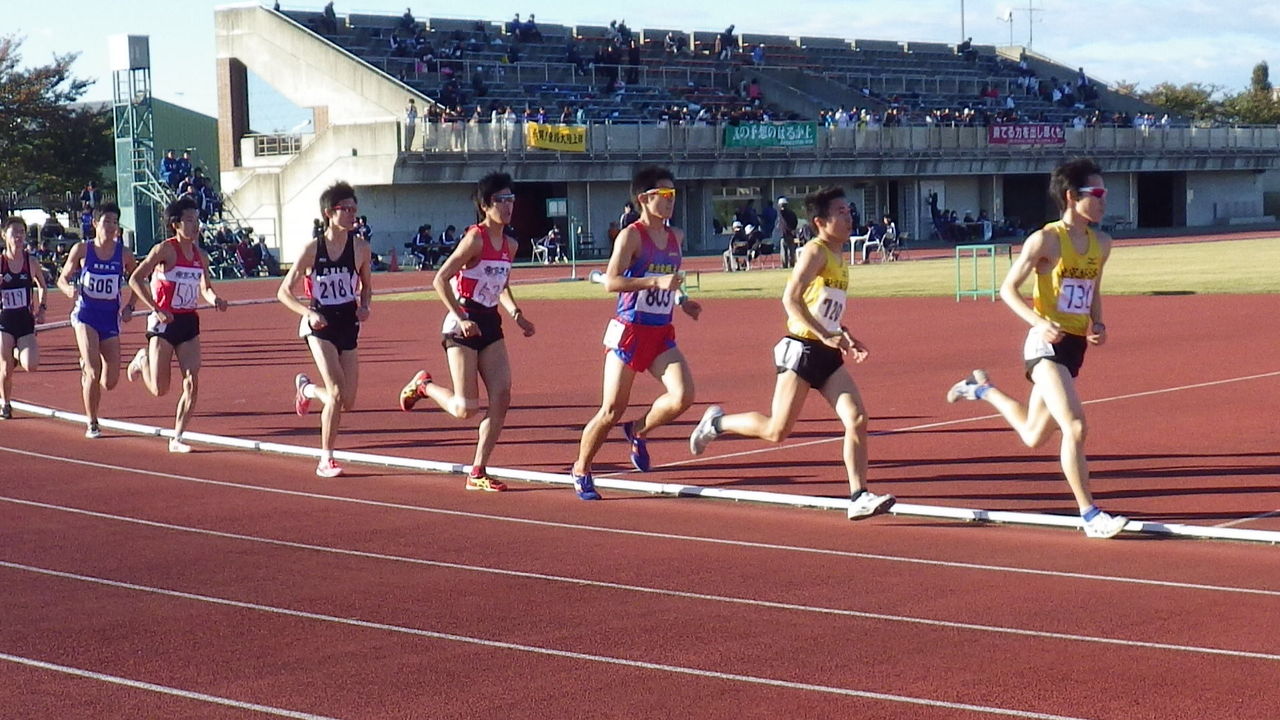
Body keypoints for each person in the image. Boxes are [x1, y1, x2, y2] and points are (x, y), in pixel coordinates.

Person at [945, 158, 1128, 539]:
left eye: (1105, 193)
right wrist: (1038, 322)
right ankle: (1090, 515)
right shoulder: (1045, 240)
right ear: (1070, 197)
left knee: (1033, 435)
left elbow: (1093, 288)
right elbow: (1007, 289)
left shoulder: (1102, 243)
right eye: (1097, 194)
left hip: (1075, 347)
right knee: (1075, 426)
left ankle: (980, 389)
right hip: (1043, 347)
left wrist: (1099, 322)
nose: (1103, 200)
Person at [690, 187, 895, 521]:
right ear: (820, 221)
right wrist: (826, 335)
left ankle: (858, 495)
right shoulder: (814, 252)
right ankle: (717, 422)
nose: (848, 216)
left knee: (857, 418)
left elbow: (825, 309)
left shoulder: (840, 258)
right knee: (776, 431)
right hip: (801, 350)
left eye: (848, 210)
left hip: (827, 352)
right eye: (840, 211)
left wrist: (846, 335)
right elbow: (791, 300)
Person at [570, 165, 702, 500]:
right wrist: (653, 281)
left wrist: (682, 300)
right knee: (611, 410)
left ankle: (638, 430)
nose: (671, 200)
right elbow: (611, 283)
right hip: (629, 330)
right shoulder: (632, 235)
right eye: (664, 194)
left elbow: (669, 279)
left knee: (683, 396)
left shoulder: (677, 237)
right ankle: (582, 468)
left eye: (674, 194)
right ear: (644, 199)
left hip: (660, 333)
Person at [398, 172, 536, 491]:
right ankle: (424, 386)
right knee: (465, 409)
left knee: (502, 395)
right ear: (487, 206)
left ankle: (478, 470)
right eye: (501, 200)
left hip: (490, 322)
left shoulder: (511, 244)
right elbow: (440, 279)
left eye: (511, 199)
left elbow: (500, 284)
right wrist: (460, 316)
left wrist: (516, 314)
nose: (509, 206)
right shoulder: (475, 238)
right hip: (462, 323)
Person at [278, 181, 374, 478]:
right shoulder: (312, 249)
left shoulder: (360, 248)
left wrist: (365, 306)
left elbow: (367, 286)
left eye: (354, 210)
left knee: (348, 400)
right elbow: (283, 291)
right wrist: (308, 312)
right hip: (319, 324)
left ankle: (306, 389)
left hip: (348, 321)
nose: (351, 215)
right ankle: (326, 459)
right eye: (345, 209)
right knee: (334, 393)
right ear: (328, 213)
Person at [126, 196, 230, 453]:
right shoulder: (165, 250)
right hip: (164, 322)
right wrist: (156, 308)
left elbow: (205, 287)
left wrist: (214, 298)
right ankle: (143, 360)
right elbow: (135, 279)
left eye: (197, 221)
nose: (195, 226)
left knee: (192, 380)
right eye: (190, 221)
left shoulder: (200, 256)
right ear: (176, 224)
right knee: (160, 389)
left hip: (188, 321)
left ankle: (178, 436)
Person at [56, 202, 138, 438]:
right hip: (86, 315)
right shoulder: (82, 249)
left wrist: (131, 306)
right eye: (107, 221)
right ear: (95, 223)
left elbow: (137, 281)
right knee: (93, 371)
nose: (111, 226)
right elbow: (63, 278)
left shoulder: (124, 253)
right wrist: (68, 290)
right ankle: (92, 422)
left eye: (115, 222)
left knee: (110, 381)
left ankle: (93, 364)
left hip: (110, 318)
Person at [0, 217, 48, 420]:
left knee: (31, 365)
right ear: (4, 236)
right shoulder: (1, 263)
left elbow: (42, 286)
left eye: (21, 232)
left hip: (24, 321)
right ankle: (6, 403)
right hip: (3, 321)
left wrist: (42, 308)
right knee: (5, 368)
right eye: (14, 232)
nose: (18, 236)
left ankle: (17, 355)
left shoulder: (31, 261)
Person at [777, 196, 800, 268]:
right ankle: (792, 265)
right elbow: (795, 222)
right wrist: (793, 229)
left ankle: (785, 265)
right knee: (791, 251)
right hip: (791, 234)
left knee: (784, 251)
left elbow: (782, 212)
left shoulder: (782, 213)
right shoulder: (792, 213)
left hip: (784, 235)